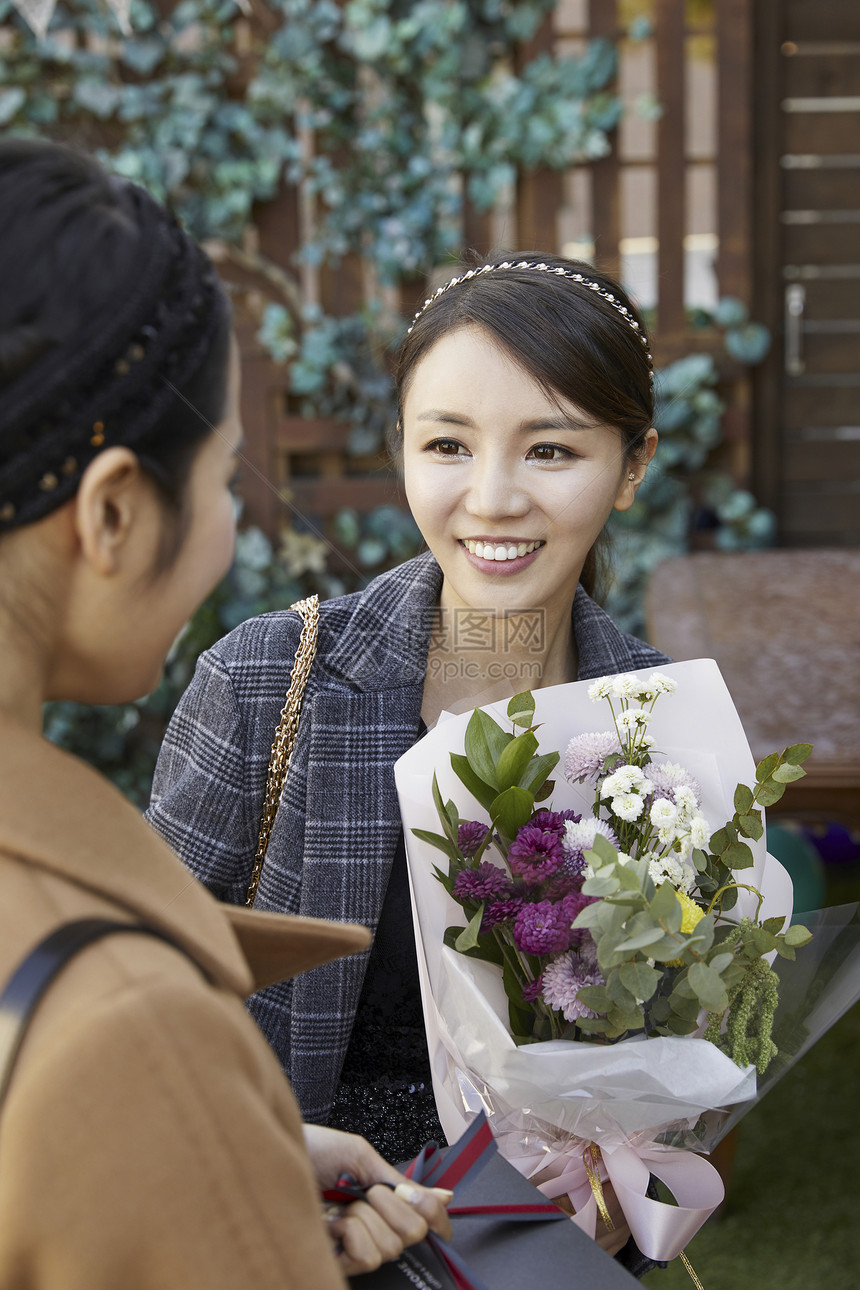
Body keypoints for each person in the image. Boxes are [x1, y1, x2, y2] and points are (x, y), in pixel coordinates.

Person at [0, 138, 452, 1290]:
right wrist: (200, 1154)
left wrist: (232, 1155)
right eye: (222, 478)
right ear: (110, 515)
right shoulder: (126, 1025)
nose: (230, 533)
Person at [148, 255, 669, 1172]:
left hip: (547, 1228)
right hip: (298, 1207)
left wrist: (615, 1172)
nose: (494, 498)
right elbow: (141, 993)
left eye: (551, 449)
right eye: (448, 445)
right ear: (401, 449)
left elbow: (675, 1025)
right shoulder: (268, 679)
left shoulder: (659, 721)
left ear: (632, 466)